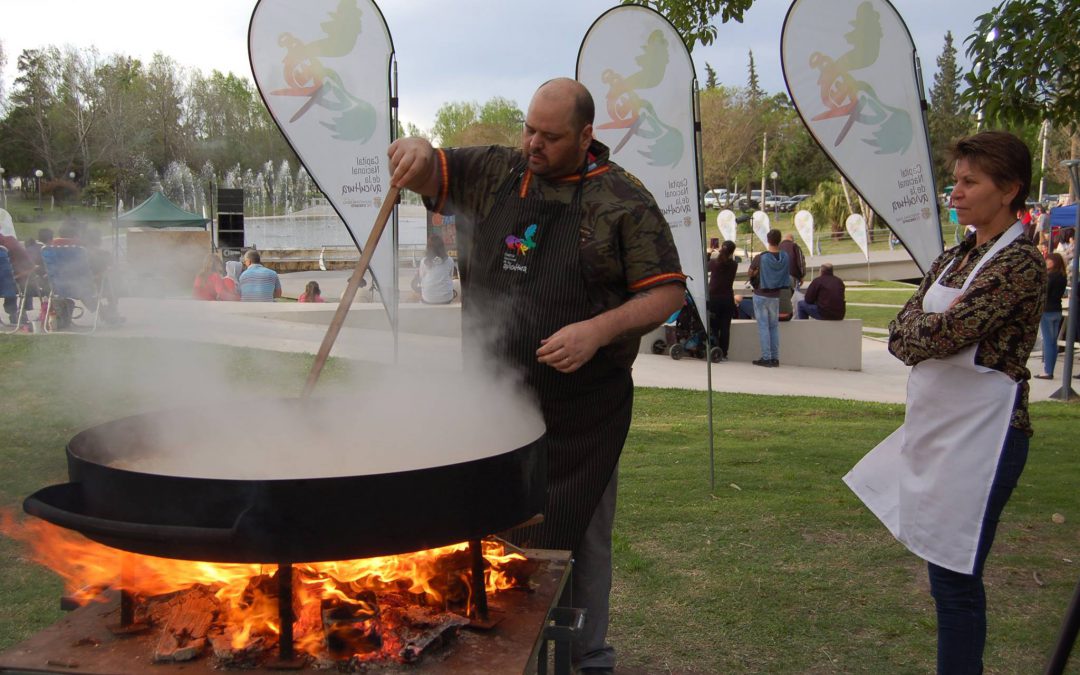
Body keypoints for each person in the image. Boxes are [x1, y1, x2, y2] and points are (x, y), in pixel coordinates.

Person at [388, 77, 685, 675]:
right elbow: (430, 171)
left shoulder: (623, 201)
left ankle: (586, 658)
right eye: (528, 129)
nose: (533, 144)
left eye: (550, 136)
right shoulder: (496, 172)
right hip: (493, 406)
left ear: (586, 135)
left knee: (582, 540)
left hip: (581, 415)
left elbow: (668, 293)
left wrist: (597, 331)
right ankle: (502, 655)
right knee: (491, 534)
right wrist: (416, 147)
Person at [844, 131, 1045, 674]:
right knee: (944, 575)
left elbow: (936, 336)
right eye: (954, 180)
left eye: (968, 182)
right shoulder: (957, 256)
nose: (953, 192)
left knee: (956, 578)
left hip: (988, 437)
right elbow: (900, 332)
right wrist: (923, 331)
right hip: (943, 429)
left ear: (1009, 190)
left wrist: (922, 331)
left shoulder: (1021, 263)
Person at [746, 228, 789, 367]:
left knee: (763, 327)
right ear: (779, 240)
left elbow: (750, 273)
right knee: (774, 327)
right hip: (776, 295)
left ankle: (766, 357)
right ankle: (775, 358)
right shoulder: (785, 257)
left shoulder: (761, 257)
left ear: (768, 240)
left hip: (761, 294)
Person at [1034, 252, 1067, 380]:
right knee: (1053, 342)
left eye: (1049, 260)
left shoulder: (1050, 277)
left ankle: (1048, 371)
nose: (1046, 262)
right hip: (1057, 310)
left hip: (1047, 311)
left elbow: (1043, 293)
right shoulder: (1062, 277)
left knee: (1048, 342)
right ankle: (1050, 369)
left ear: (1054, 262)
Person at [707, 240, 737, 359]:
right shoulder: (734, 265)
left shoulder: (714, 263)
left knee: (713, 326)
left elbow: (705, 266)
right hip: (727, 298)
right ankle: (723, 352)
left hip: (714, 297)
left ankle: (713, 349)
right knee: (725, 327)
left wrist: (709, 253)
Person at [415, 234, 457, 304]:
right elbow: (450, 276)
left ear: (428, 248)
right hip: (446, 298)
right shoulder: (449, 260)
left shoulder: (424, 261)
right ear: (442, 247)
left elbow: (421, 277)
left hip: (428, 298)